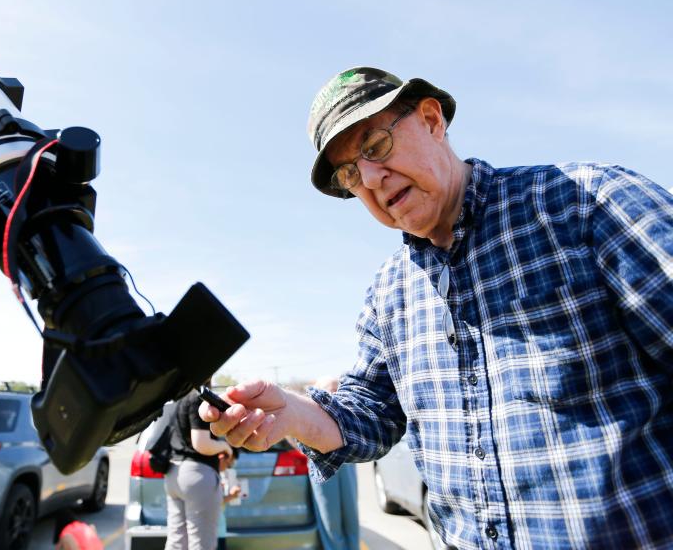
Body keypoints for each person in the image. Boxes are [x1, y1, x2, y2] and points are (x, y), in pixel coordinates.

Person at [200, 66, 673, 549]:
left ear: (431, 120)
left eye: (375, 147)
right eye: (350, 173)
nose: (369, 178)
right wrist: (294, 414)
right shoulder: (390, 294)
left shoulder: (585, 205)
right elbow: (371, 416)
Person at [165, 384, 233, 550]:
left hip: (173, 473)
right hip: (197, 475)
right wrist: (226, 448)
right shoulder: (199, 398)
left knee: (177, 541)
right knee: (201, 543)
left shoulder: (178, 397)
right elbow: (201, 443)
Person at [308, 376, 359, 550]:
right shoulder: (310, 421)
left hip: (346, 460)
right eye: (329, 392)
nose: (333, 397)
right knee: (330, 521)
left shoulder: (348, 418)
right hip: (320, 463)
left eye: (336, 391)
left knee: (351, 518)